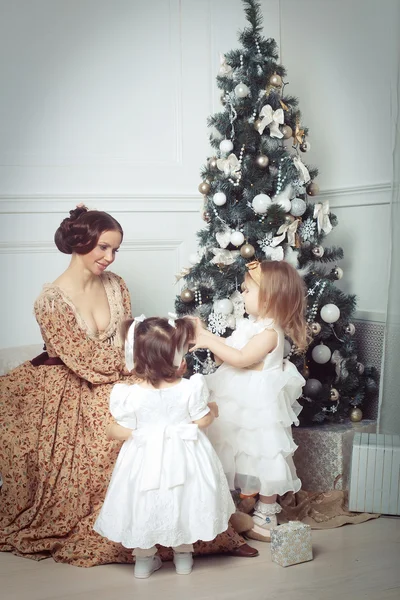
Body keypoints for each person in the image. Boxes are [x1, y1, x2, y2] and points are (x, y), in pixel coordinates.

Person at [0, 206, 257, 565]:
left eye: (115, 250)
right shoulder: (51, 302)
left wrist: (149, 367)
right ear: (80, 242)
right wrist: (144, 367)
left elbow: (127, 342)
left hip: (125, 371)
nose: (109, 257)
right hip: (72, 381)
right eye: (103, 248)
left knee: (170, 408)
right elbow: (86, 362)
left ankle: (207, 526)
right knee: (123, 424)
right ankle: (142, 532)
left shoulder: (115, 285)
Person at [94, 315, 235, 578]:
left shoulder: (129, 394)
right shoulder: (189, 389)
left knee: (145, 503)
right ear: (173, 357)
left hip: (144, 459)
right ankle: (183, 557)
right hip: (185, 455)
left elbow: (121, 430)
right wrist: (212, 411)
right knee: (184, 499)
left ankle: (144, 561)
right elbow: (202, 420)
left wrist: (117, 431)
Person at [191, 260, 307, 540]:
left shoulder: (269, 333)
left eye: (247, 290)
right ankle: (240, 501)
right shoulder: (249, 326)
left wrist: (209, 341)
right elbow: (227, 353)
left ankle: (267, 511)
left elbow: (241, 359)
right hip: (238, 401)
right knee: (237, 447)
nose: (241, 295)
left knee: (262, 453)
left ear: (270, 296)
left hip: (258, 407)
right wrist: (205, 334)